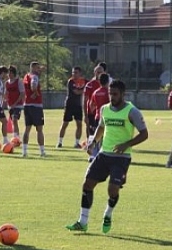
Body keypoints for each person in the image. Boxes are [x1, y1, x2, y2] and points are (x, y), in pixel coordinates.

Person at [66, 80, 148, 234]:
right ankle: (82, 221)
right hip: (103, 155)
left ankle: (108, 213)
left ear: (123, 94)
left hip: (122, 158)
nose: (112, 97)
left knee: (112, 190)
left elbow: (144, 134)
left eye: (115, 94)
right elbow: (102, 127)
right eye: (110, 93)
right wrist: (93, 142)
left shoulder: (132, 111)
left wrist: (126, 144)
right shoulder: (104, 109)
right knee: (87, 184)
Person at [22, 61, 46, 157]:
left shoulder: (26, 76)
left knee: (27, 129)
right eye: (37, 68)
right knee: (39, 129)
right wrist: (35, 93)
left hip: (27, 104)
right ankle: (42, 151)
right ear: (33, 68)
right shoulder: (34, 77)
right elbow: (33, 86)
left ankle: (24, 151)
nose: (38, 70)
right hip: (36, 106)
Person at [57, 66, 85, 149]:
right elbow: (76, 92)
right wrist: (85, 90)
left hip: (78, 105)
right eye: (73, 72)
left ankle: (76, 143)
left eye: (76, 72)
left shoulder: (84, 81)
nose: (74, 74)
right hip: (69, 105)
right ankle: (60, 142)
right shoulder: (71, 81)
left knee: (79, 124)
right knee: (65, 123)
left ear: (80, 73)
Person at [83, 65, 105, 141]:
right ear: (94, 72)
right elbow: (85, 100)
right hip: (92, 113)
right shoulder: (90, 85)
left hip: (104, 112)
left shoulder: (107, 84)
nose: (99, 74)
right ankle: (89, 143)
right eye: (97, 72)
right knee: (91, 129)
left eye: (101, 72)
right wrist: (85, 115)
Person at [5, 65, 25, 139]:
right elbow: (6, 93)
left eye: (10, 73)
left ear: (14, 73)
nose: (9, 75)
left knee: (14, 119)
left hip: (17, 105)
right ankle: (15, 136)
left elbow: (22, 93)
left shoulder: (19, 82)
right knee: (13, 121)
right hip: (10, 106)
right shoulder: (7, 83)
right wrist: (6, 100)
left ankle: (16, 138)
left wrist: (15, 103)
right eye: (8, 73)